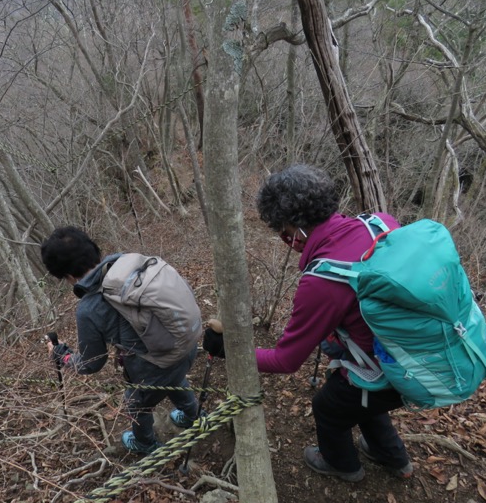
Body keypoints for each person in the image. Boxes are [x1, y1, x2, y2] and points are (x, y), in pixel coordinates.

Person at [202, 164, 412, 482]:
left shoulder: (323, 280)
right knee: (361, 399)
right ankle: (392, 457)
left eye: (283, 230)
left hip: (392, 367)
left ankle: (342, 465)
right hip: (417, 350)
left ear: (296, 227)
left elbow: (286, 361)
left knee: (328, 406)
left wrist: (227, 348)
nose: (285, 238)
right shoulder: (379, 223)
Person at [40, 226, 201, 455]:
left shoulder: (89, 308)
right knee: (174, 377)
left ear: (66, 275)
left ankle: (145, 444)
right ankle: (193, 415)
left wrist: (61, 355)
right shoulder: (131, 262)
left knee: (136, 404)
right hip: (188, 342)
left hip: (155, 367)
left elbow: (91, 364)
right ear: (94, 250)